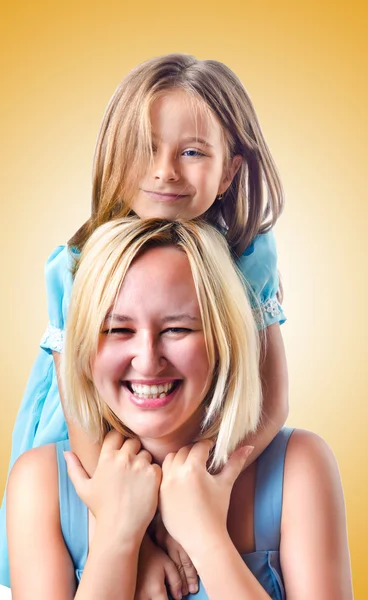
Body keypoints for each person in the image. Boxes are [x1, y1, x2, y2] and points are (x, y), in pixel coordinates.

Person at [0, 53, 288, 594]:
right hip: (99, 447)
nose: (164, 171)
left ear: (231, 169)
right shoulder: (76, 266)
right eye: (145, 149)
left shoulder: (251, 258)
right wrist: (143, 537)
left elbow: (271, 400)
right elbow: (80, 414)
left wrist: (201, 492)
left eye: (193, 152)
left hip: (206, 443)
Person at [7, 218, 352, 599]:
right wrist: (117, 540)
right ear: (84, 349)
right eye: (118, 330)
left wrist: (206, 539)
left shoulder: (299, 467)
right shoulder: (41, 484)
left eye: (177, 329)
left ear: (224, 339)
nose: (147, 360)